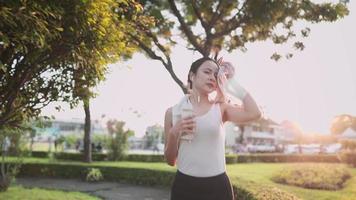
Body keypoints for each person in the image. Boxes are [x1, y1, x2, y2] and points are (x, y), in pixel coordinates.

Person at [164, 56, 261, 200]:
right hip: (184, 186)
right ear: (192, 75)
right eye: (207, 72)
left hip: (217, 187)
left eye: (215, 74)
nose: (212, 77)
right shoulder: (173, 112)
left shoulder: (221, 108)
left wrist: (232, 82)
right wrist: (173, 134)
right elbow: (170, 161)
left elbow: (255, 113)